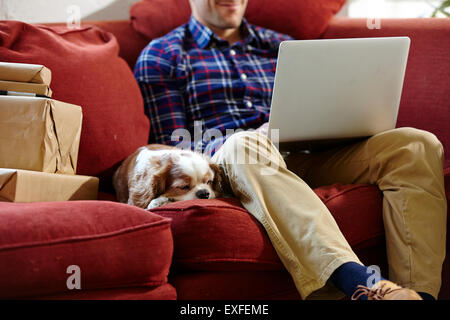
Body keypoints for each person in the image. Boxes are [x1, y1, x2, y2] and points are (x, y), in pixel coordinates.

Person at [134, 0, 447, 300]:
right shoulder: (164, 55)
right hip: (227, 162)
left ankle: (415, 295)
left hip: (303, 153)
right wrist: (254, 135)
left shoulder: (283, 46)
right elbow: (173, 148)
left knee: (414, 145)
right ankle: (358, 282)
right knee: (244, 143)